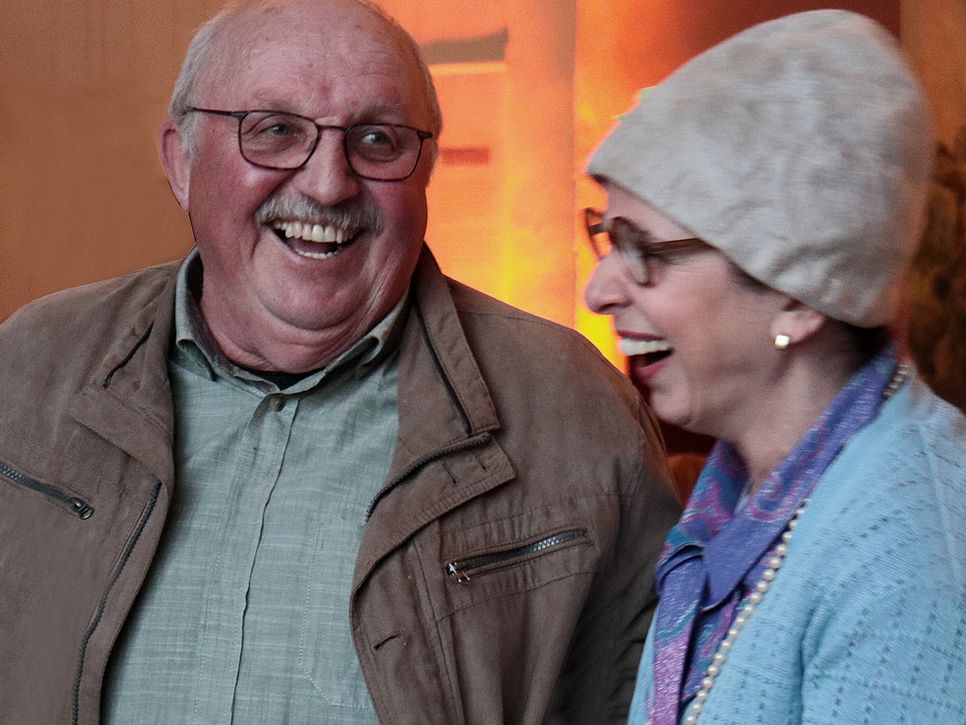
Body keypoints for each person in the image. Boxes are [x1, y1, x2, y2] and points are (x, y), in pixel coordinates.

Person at [0, 0, 681, 723]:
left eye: (378, 140)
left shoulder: (573, 410)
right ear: (182, 161)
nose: (328, 184)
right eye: (275, 131)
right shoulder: (32, 366)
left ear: (424, 172)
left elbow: (643, 698)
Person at [582, 10, 966, 725]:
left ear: (796, 293)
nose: (597, 291)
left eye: (644, 250)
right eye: (605, 237)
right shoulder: (744, 490)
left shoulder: (909, 556)